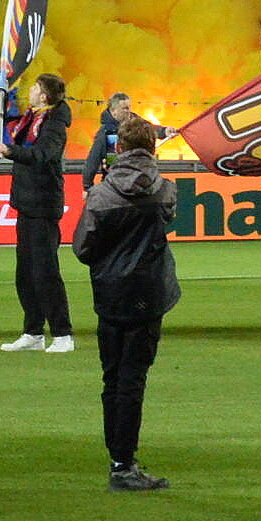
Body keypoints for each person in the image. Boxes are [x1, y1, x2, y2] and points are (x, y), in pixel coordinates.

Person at [73, 110, 179, 490]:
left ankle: (118, 458)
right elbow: (167, 218)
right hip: (148, 293)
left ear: (119, 147)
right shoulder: (164, 189)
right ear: (152, 148)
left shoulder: (101, 194)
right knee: (134, 379)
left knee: (113, 377)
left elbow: (82, 248)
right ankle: (123, 462)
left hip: (111, 293)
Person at [1, 72, 75, 354]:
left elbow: (42, 155)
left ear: (44, 96)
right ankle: (33, 331)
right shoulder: (31, 118)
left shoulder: (54, 125)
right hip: (26, 202)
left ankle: (63, 334)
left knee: (46, 273)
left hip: (43, 205)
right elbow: (4, 125)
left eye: (35, 88)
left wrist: (10, 152)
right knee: (25, 274)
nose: (29, 91)